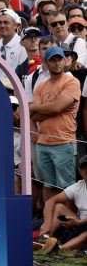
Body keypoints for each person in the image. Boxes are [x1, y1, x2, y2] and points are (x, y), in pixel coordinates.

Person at [32, 46, 80, 192]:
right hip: (43, 142)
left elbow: (56, 108)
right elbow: (34, 116)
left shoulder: (72, 82)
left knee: (68, 187)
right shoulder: (40, 86)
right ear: (46, 63)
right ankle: (50, 215)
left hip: (64, 141)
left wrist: (35, 107)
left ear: (65, 61)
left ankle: (67, 215)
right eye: (53, 60)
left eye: (60, 59)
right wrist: (49, 108)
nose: (57, 63)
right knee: (48, 185)